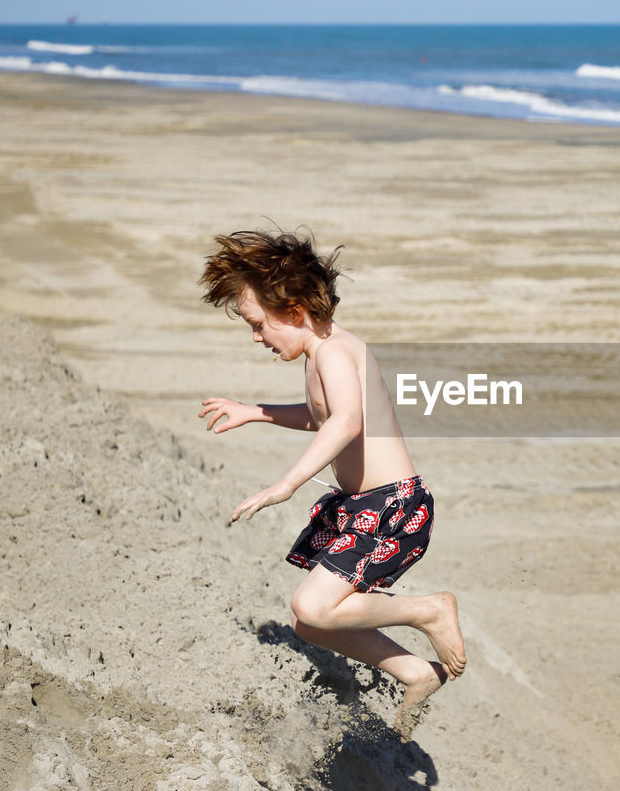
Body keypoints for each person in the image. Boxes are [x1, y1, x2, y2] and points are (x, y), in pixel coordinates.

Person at [197, 228, 466, 740]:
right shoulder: (323, 352)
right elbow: (321, 413)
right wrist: (253, 411)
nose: (257, 338)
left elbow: (344, 421)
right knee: (312, 622)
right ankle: (415, 671)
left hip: (391, 506)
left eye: (258, 325)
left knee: (312, 607)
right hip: (364, 504)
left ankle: (430, 610)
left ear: (294, 311)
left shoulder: (335, 352)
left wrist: (286, 484)